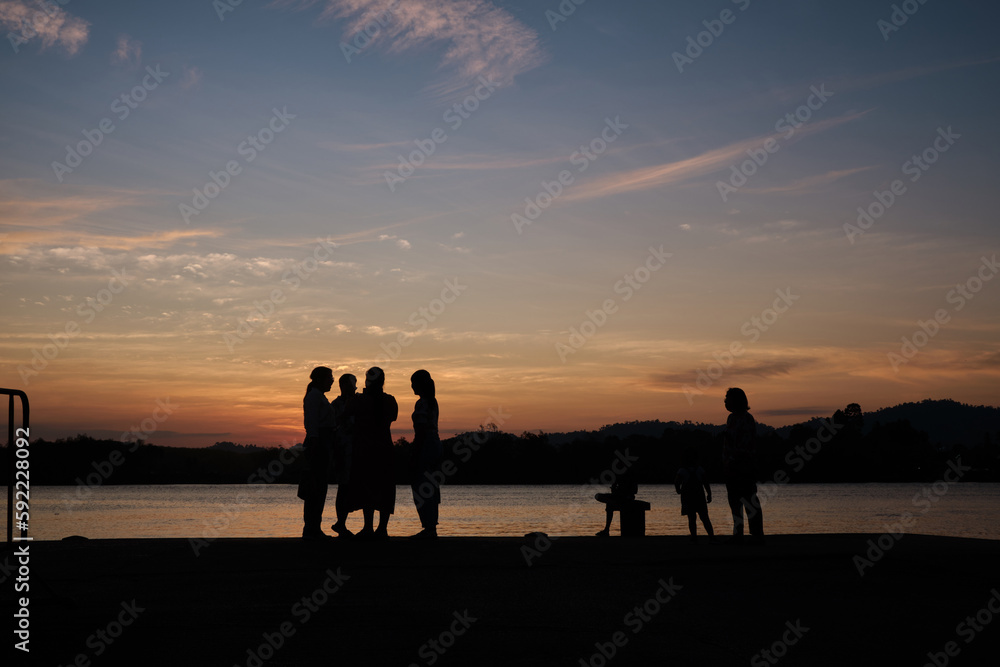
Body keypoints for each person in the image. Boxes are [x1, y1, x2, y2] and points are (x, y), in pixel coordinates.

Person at [349, 367, 398, 539]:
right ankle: (382, 529)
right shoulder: (390, 400)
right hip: (384, 448)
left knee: (367, 486)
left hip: (365, 448)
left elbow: (348, 413)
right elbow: (393, 417)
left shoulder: (360, 400)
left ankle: (368, 527)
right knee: (384, 487)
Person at [723, 387, 764, 544]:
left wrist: (735, 461)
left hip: (743, 466)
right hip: (733, 466)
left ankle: (756, 535)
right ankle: (739, 534)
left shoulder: (745, 419)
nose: (725, 401)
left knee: (749, 501)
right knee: (735, 502)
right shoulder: (732, 418)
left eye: (728, 398)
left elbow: (744, 445)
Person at [298, 366, 334, 540]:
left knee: (319, 487)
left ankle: (314, 527)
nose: (332, 380)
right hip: (318, 444)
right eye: (330, 377)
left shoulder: (319, 396)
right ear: (320, 379)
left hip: (322, 443)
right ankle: (311, 528)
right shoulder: (314, 396)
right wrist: (315, 443)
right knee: (315, 488)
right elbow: (311, 423)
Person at [409, 369, 443, 539]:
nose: (411, 386)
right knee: (430, 485)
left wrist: (415, 451)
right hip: (434, 445)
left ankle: (429, 527)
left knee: (421, 484)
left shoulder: (422, 403)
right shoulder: (432, 401)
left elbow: (421, 432)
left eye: (413, 383)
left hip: (427, 446)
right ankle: (431, 527)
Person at [330, 373, 358, 538]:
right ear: (343, 386)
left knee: (353, 487)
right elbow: (333, 426)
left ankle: (343, 524)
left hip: (357, 451)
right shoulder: (336, 405)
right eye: (351, 384)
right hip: (342, 451)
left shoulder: (359, 402)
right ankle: (341, 523)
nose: (354, 387)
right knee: (343, 488)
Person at [675, 448, 715, 543]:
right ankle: (711, 537)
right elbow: (706, 482)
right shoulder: (700, 469)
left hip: (688, 498)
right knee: (705, 518)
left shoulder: (682, 470)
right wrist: (709, 494)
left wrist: (678, 490)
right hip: (699, 497)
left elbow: (676, 482)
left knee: (691, 518)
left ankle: (694, 538)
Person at [594, 469, 638, 537]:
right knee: (600, 497)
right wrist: (614, 489)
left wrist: (622, 491)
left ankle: (606, 530)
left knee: (609, 505)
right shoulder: (618, 478)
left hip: (626, 499)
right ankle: (606, 530)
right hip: (618, 498)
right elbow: (614, 491)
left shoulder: (630, 477)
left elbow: (634, 491)